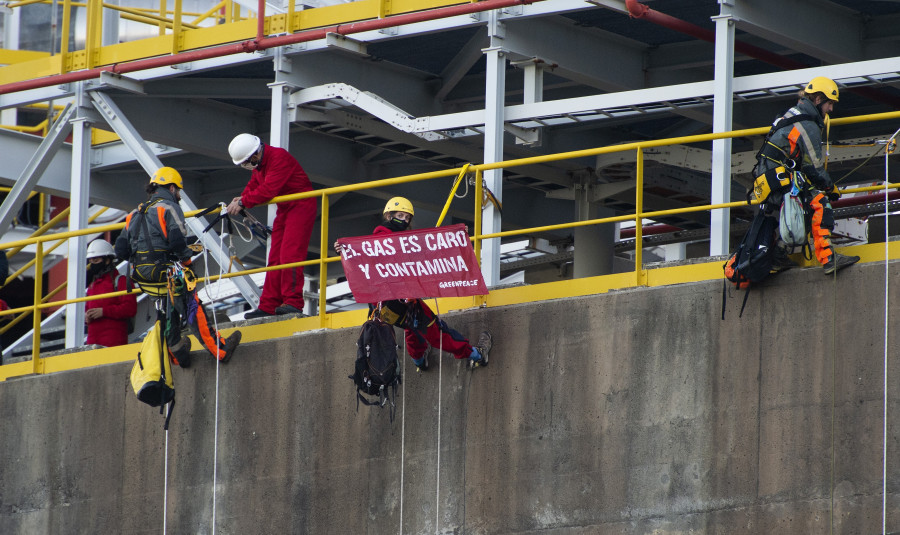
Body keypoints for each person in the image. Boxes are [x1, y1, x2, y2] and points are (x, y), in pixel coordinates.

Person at [336, 197, 492, 372]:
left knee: (412, 328)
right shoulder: (385, 239)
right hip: (399, 301)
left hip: (386, 306)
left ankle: (419, 361)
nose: (403, 220)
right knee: (437, 333)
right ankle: (477, 354)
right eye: (400, 215)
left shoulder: (388, 240)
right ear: (389, 216)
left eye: (407, 218)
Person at [115, 166, 242, 366]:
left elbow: (121, 251)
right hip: (166, 272)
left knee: (166, 313)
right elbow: (176, 243)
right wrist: (188, 264)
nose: (180, 195)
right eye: (179, 191)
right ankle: (220, 349)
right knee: (193, 307)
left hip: (143, 277)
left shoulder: (134, 213)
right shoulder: (169, 208)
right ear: (172, 187)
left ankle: (178, 355)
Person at [753, 76, 859, 275]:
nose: (831, 110)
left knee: (792, 208)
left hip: (770, 178)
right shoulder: (808, 125)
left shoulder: (794, 113)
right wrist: (830, 188)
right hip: (779, 178)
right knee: (820, 203)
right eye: (829, 103)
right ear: (818, 99)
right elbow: (814, 169)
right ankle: (829, 259)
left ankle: (778, 255)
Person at [226, 134, 317, 318]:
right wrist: (242, 197)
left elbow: (268, 190)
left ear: (253, 156)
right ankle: (268, 304)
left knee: (290, 255)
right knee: (275, 258)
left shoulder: (278, 158)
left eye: (245, 162)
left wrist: (244, 202)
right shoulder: (261, 164)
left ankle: (293, 302)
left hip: (301, 205)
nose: (245, 166)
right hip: (286, 208)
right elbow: (254, 185)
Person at [84, 238, 137, 347]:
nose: (93, 264)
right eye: (91, 261)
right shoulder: (92, 286)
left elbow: (130, 309)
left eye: (96, 260)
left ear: (107, 260)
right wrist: (86, 317)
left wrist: (104, 312)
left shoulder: (121, 281)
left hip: (114, 343)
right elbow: (87, 309)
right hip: (92, 344)